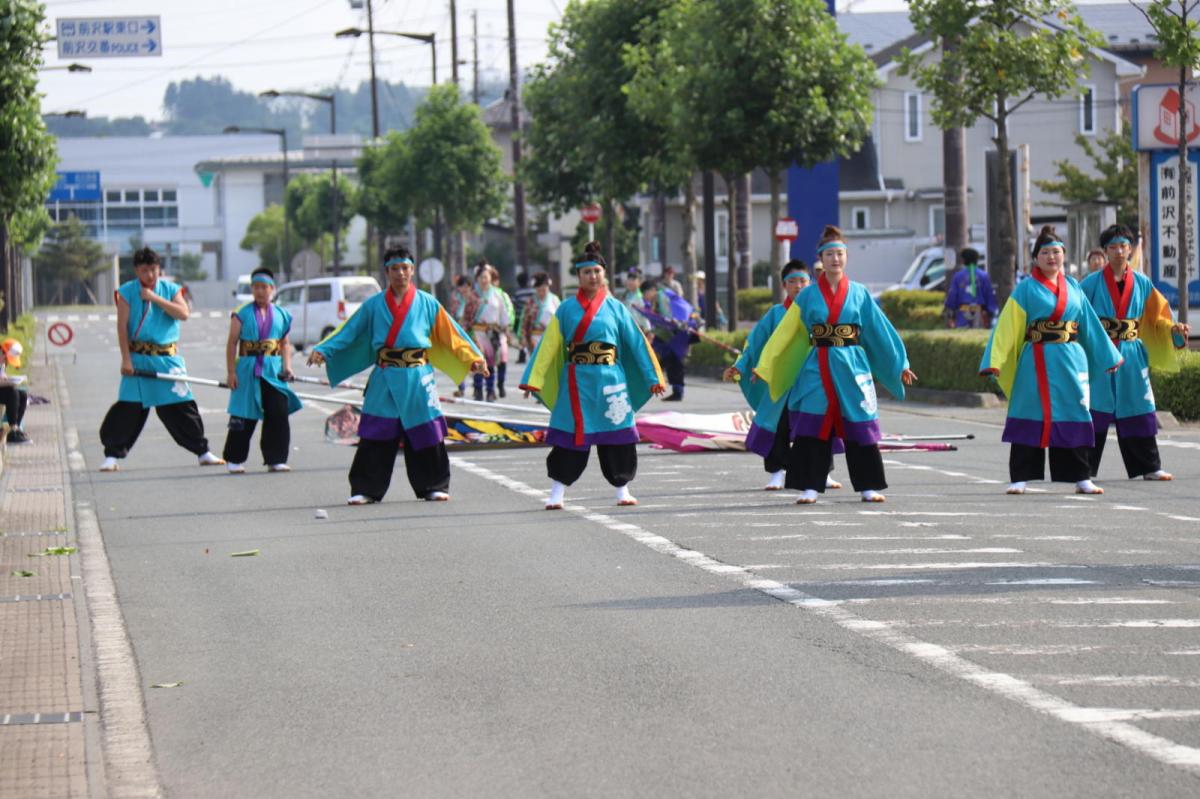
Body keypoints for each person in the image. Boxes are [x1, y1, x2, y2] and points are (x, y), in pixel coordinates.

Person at [307, 247, 486, 504]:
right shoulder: (373, 305)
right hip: (385, 375)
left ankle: (433, 485)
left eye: (404, 268)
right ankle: (366, 489)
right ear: (387, 272)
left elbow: (453, 335)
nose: (400, 273)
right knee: (376, 433)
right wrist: (324, 350)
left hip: (417, 376)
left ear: (412, 270)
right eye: (394, 269)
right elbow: (348, 330)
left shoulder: (428, 303)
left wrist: (474, 358)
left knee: (426, 432)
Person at [756, 226, 917, 505]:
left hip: (852, 367)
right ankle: (810, 487)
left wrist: (899, 363)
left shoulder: (860, 293)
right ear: (821, 258)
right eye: (830, 254)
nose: (835, 259)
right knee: (812, 427)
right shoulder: (807, 296)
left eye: (840, 254)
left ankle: (868, 486)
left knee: (860, 426)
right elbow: (787, 333)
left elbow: (879, 330)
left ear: (846, 257)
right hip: (815, 368)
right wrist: (767, 364)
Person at [520, 241, 667, 509]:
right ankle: (557, 493)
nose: (592, 276)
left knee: (618, 438)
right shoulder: (565, 309)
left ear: (604, 275)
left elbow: (637, 343)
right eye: (587, 272)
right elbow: (548, 345)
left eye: (597, 271)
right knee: (569, 439)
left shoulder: (616, 308)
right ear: (579, 276)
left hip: (611, 382)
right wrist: (534, 379)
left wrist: (653, 377)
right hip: (577, 382)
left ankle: (622, 490)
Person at [980, 226, 1123, 495]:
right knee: (1028, 414)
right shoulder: (1025, 289)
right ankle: (1020, 477)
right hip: (1035, 361)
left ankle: (1081, 476)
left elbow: (1090, 325)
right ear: (1036, 258)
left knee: (1075, 414)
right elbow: (1007, 326)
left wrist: (1109, 355)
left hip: (1070, 360)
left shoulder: (1074, 287)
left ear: (1064, 256)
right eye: (1045, 253)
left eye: (1056, 252)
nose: (1051, 257)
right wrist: (994, 359)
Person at [99, 246, 224, 472]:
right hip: (138, 359)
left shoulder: (171, 289)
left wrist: (154, 298)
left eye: (153, 270)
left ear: (159, 269)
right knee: (128, 408)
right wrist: (126, 359)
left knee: (182, 407)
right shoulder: (126, 292)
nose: (149, 275)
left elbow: (183, 314)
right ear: (136, 271)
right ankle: (112, 455)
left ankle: (202, 451)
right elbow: (122, 327)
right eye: (144, 270)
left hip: (167, 359)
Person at [1079, 224, 1189, 481]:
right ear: (1105, 251)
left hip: (1131, 354)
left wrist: (1174, 329)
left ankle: (1149, 467)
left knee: (1139, 406)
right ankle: (1083, 469)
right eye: (1113, 247)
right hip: (1101, 354)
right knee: (1095, 409)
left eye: (1123, 246)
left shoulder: (1142, 283)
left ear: (1130, 249)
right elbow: (1077, 314)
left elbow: (1158, 318)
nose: (1119, 252)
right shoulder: (1090, 284)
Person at [723, 260, 841, 492]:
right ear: (784, 286)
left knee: (819, 425)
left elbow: (837, 342)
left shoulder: (820, 313)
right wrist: (741, 366)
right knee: (778, 425)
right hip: (782, 382)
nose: (798, 286)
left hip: (814, 380)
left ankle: (823, 472)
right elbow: (754, 343)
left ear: (810, 283)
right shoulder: (776, 314)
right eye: (792, 281)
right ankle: (777, 472)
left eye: (803, 281)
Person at [222, 267, 302, 473]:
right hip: (247, 369)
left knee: (278, 413)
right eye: (256, 287)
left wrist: (287, 367)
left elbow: (285, 344)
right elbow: (232, 343)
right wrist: (231, 372)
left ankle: (276, 458)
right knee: (243, 414)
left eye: (264, 287)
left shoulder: (282, 314)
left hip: (273, 370)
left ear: (272, 289)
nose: (260, 291)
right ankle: (234, 458)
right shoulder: (241, 314)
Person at [640, 278, 692, 401]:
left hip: (677, 334)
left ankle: (677, 391)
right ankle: (676, 390)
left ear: (652, 290)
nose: (644, 296)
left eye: (645, 293)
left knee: (674, 362)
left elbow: (668, 317)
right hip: (672, 334)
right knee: (672, 361)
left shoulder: (662, 296)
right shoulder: (658, 299)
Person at [468, 261, 512, 402]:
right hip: (477, 333)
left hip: (493, 333)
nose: (484, 280)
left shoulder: (497, 295)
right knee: (479, 362)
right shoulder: (472, 296)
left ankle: (490, 390)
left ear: (490, 278)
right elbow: (467, 317)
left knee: (492, 362)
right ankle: (478, 389)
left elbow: (503, 313)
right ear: (477, 279)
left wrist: (506, 329)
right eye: (481, 277)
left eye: (486, 277)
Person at [944, 247, 998, 329]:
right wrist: (991, 312)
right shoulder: (984, 276)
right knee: (979, 335)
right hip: (979, 314)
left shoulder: (958, 276)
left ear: (964, 260)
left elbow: (952, 297)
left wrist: (951, 312)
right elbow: (989, 296)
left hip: (962, 314)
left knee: (962, 334)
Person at [449, 275, 476, 397]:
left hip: (473, 334)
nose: (464, 288)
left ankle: (477, 386)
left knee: (473, 360)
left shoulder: (475, 300)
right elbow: (452, 316)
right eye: (462, 286)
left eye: (467, 286)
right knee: (458, 361)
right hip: (458, 333)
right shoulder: (455, 300)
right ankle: (461, 388)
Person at [520, 272, 561, 353]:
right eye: (539, 290)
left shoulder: (554, 300)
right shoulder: (531, 301)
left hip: (550, 336)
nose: (541, 293)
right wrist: (523, 337)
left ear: (548, 287)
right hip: (534, 337)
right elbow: (524, 321)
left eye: (544, 290)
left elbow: (560, 319)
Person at [0, 338, 30, 444]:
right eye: (7, 359)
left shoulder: (2, 363)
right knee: (12, 393)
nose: (6, 361)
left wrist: (9, 379)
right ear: (2, 352)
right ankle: (12, 431)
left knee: (22, 394)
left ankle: (15, 428)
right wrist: (8, 382)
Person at [513, 271, 535, 364]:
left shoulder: (518, 293)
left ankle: (522, 354)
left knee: (521, 336)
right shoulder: (533, 292)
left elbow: (514, 304)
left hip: (519, 318)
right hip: (531, 318)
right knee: (529, 335)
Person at [622, 268, 652, 334]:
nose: (630, 282)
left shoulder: (641, 296)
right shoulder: (627, 295)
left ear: (639, 282)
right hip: (628, 329)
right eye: (629, 279)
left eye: (633, 280)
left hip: (640, 330)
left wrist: (648, 330)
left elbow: (645, 315)